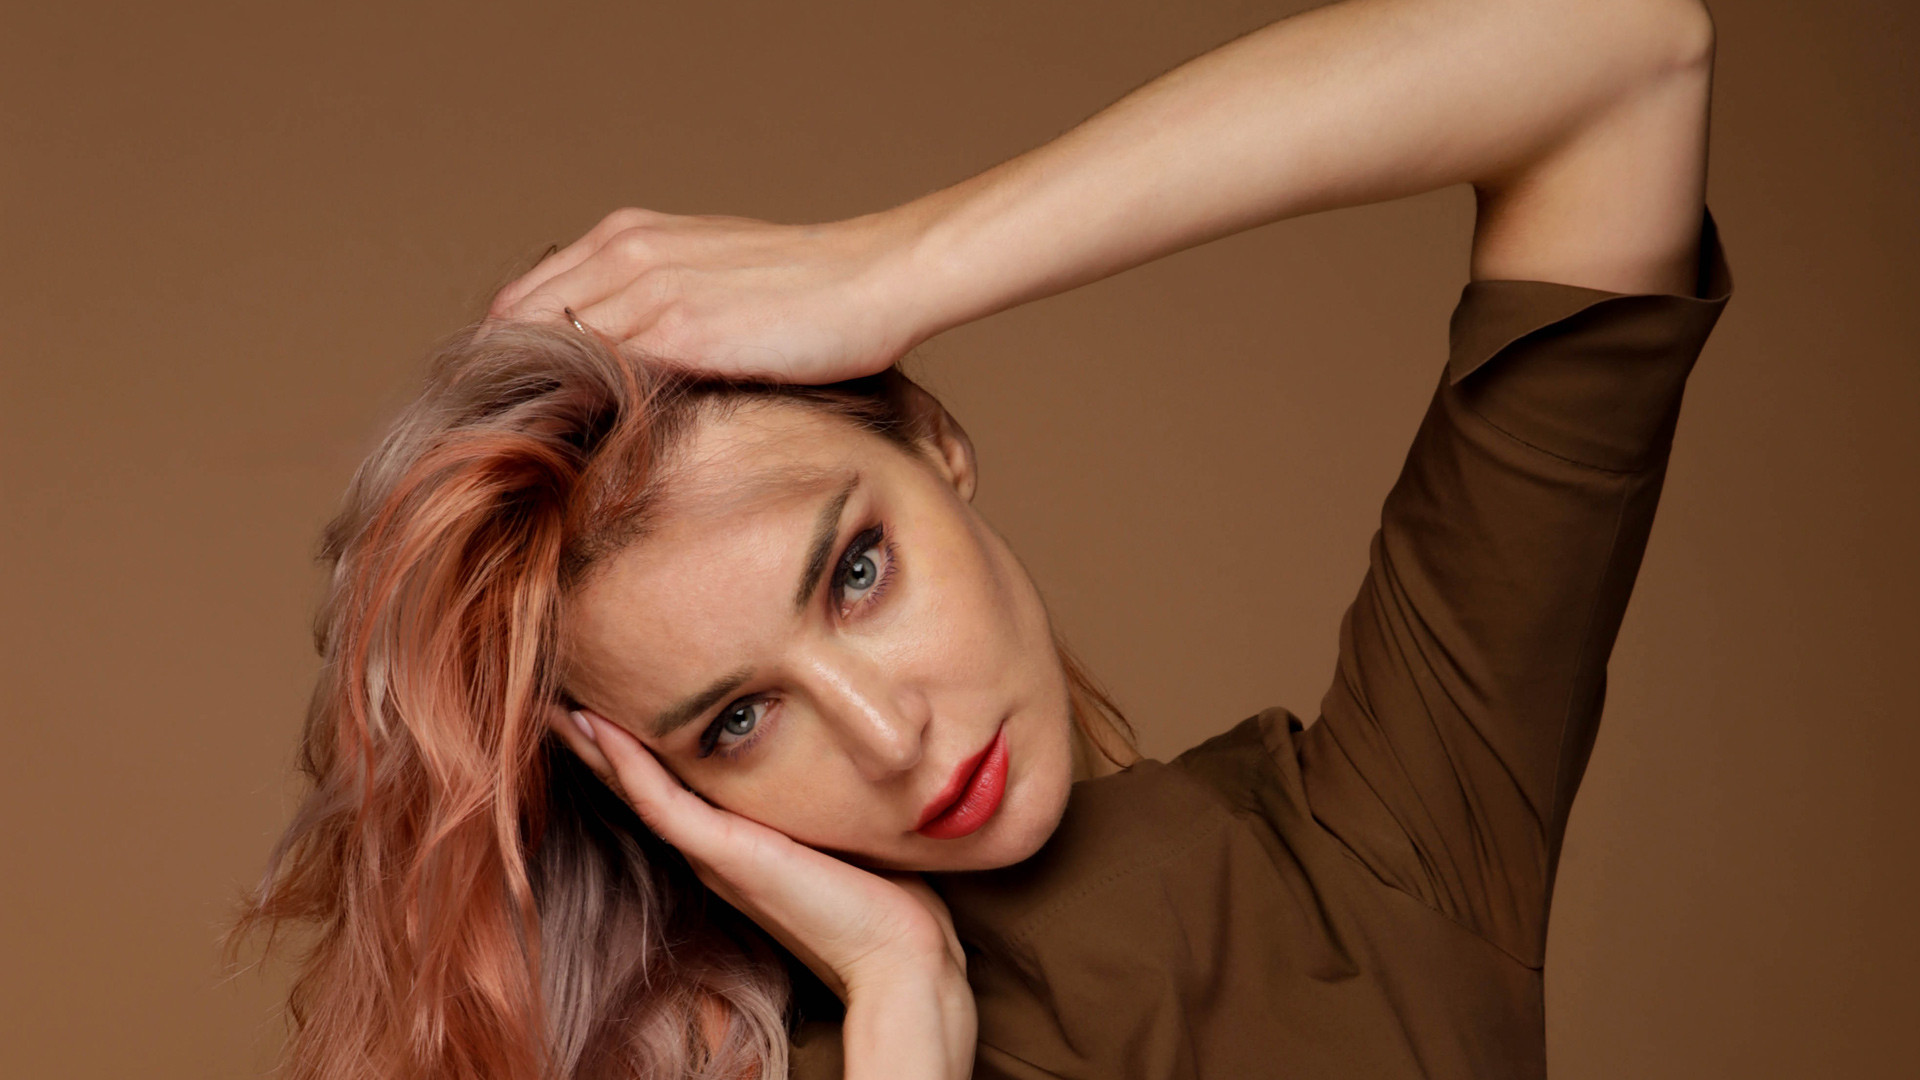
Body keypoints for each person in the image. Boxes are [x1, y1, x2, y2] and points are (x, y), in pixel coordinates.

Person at [235, 0, 1733, 1077]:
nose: (888, 734)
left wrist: (905, 263)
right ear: (652, 786)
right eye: (737, 719)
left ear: (936, 444)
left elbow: (1617, 53)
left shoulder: (1381, 851)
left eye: (857, 572)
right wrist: (901, 1009)